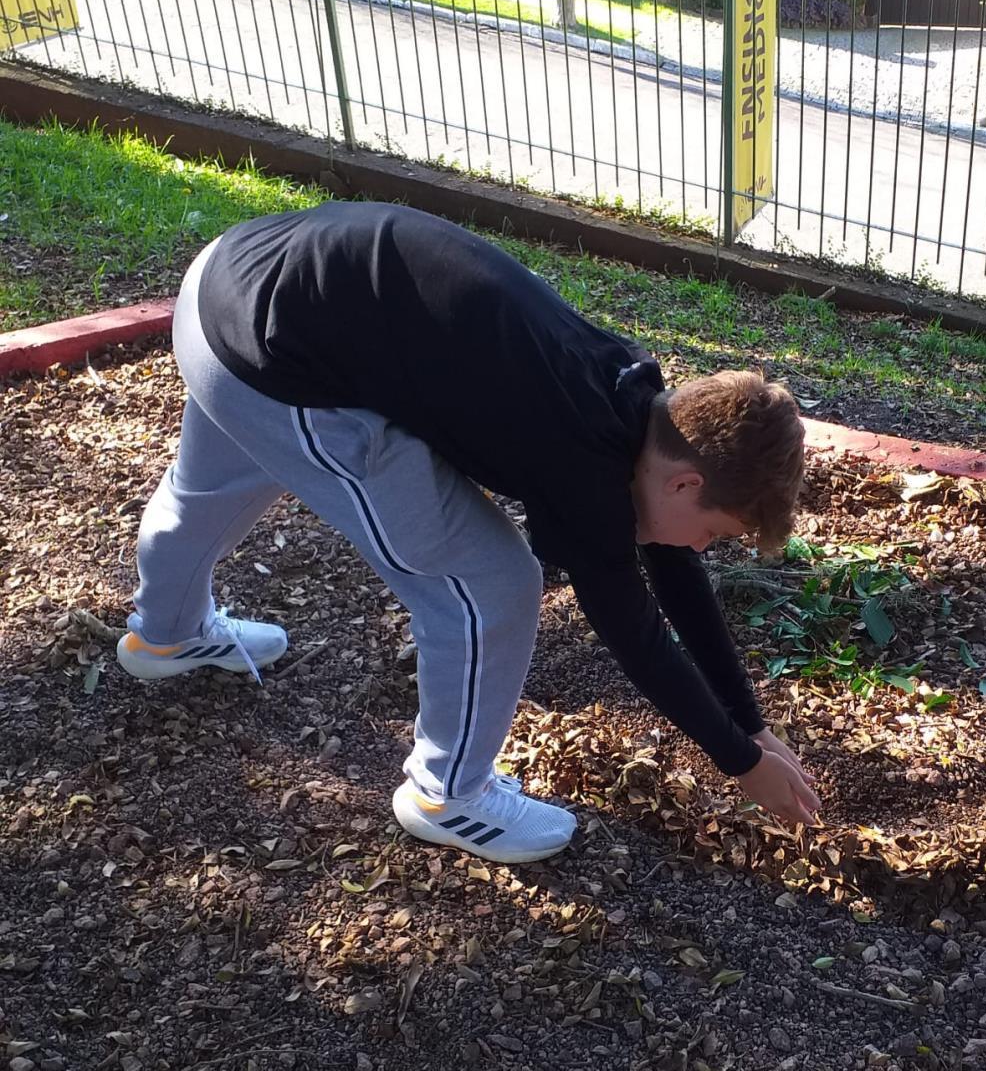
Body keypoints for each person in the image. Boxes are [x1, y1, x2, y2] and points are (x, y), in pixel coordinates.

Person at [115, 200, 821, 864]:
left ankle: (163, 634)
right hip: (277, 361)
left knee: (211, 485)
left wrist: (747, 726)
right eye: (714, 533)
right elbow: (633, 629)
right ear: (685, 483)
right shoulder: (579, 459)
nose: (701, 551)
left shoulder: (636, 396)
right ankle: (447, 795)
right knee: (489, 584)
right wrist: (739, 763)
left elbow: (670, 569)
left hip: (223, 289)